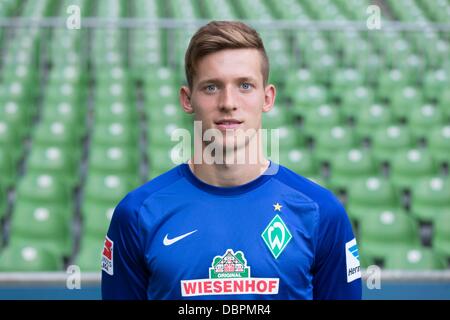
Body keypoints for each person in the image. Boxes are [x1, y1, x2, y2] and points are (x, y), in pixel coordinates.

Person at [101, 20, 362, 300]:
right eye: (211, 87)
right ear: (187, 99)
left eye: (245, 86)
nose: (228, 102)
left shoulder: (321, 212)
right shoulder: (137, 214)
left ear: (267, 97)